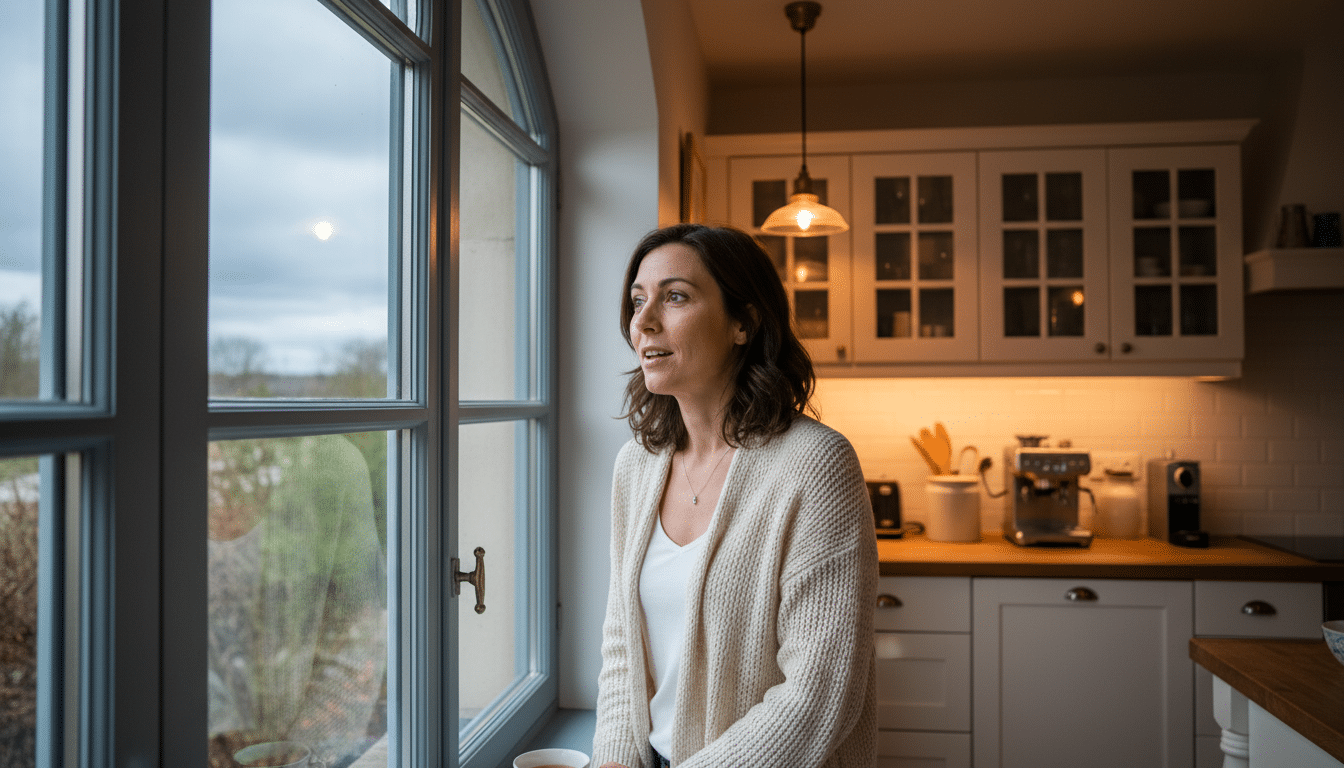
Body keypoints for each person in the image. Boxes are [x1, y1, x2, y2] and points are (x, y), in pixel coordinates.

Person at [593, 223, 877, 768]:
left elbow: (818, 696)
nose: (644, 321)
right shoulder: (635, 466)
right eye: (638, 300)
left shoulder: (816, 466)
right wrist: (613, 760)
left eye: (675, 297)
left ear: (742, 323)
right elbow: (623, 648)